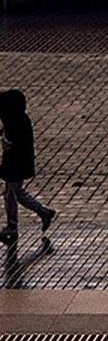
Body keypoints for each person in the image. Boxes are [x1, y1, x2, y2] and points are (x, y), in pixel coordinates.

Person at [0, 89, 55, 245]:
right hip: (20, 163)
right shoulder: (20, 118)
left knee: (11, 194)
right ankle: (43, 212)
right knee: (15, 192)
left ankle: (13, 226)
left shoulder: (13, 120)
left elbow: (8, 141)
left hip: (14, 164)